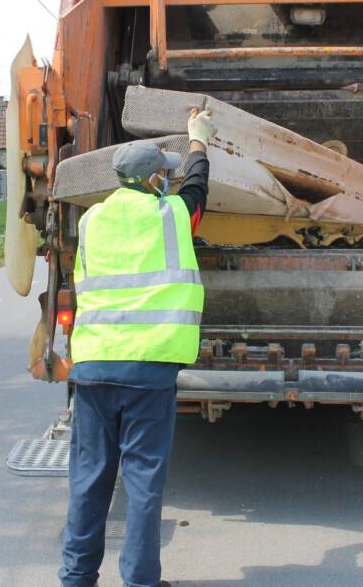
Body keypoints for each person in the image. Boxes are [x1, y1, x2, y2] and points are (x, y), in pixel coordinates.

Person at [58, 109, 216, 587]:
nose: (170, 180)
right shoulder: (171, 214)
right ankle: (141, 581)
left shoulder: (92, 221)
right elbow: (198, 188)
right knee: (143, 482)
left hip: (93, 367)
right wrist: (199, 141)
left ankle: (76, 578)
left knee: (88, 479)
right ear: (152, 180)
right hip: (149, 370)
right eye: (164, 174)